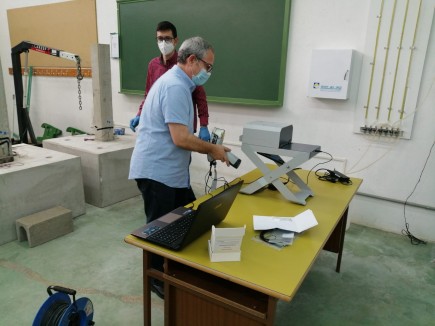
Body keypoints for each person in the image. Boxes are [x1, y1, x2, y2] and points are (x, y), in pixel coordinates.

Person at [129, 36, 230, 299]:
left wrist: (210, 146)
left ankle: (172, 270)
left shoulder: (180, 85)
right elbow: (181, 138)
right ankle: (156, 278)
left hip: (170, 173)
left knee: (191, 218)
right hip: (157, 172)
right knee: (159, 228)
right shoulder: (175, 86)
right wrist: (213, 150)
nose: (209, 72)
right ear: (193, 60)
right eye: (208, 67)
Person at [129, 21, 211, 141]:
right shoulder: (153, 65)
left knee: (180, 158)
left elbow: (200, 96)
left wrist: (204, 125)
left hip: (182, 126)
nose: (163, 43)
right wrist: (140, 113)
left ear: (175, 41)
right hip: (159, 127)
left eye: (167, 39)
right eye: (160, 39)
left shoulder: (186, 64)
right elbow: (148, 94)